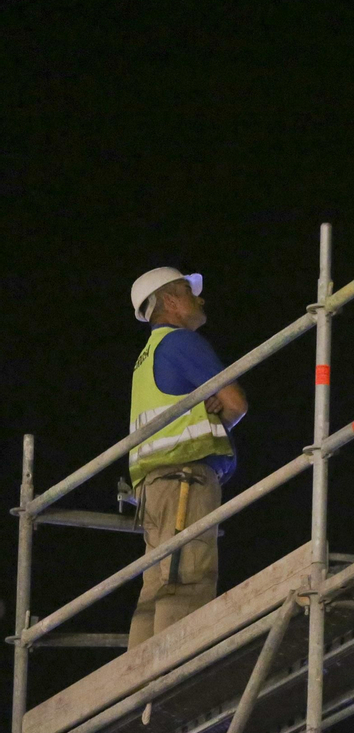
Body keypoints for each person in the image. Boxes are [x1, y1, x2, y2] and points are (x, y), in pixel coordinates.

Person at [126, 268, 248, 650]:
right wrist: (217, 413)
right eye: (189, 292)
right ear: (171, 301)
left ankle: (135, 694)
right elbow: (236, 405)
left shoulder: (146, 357)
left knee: (157, 589)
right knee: (187, 580)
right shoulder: (182, 342)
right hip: (185, 480)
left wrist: (206, 408)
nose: (200, 299)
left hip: (152, 488)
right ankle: (171, 685)